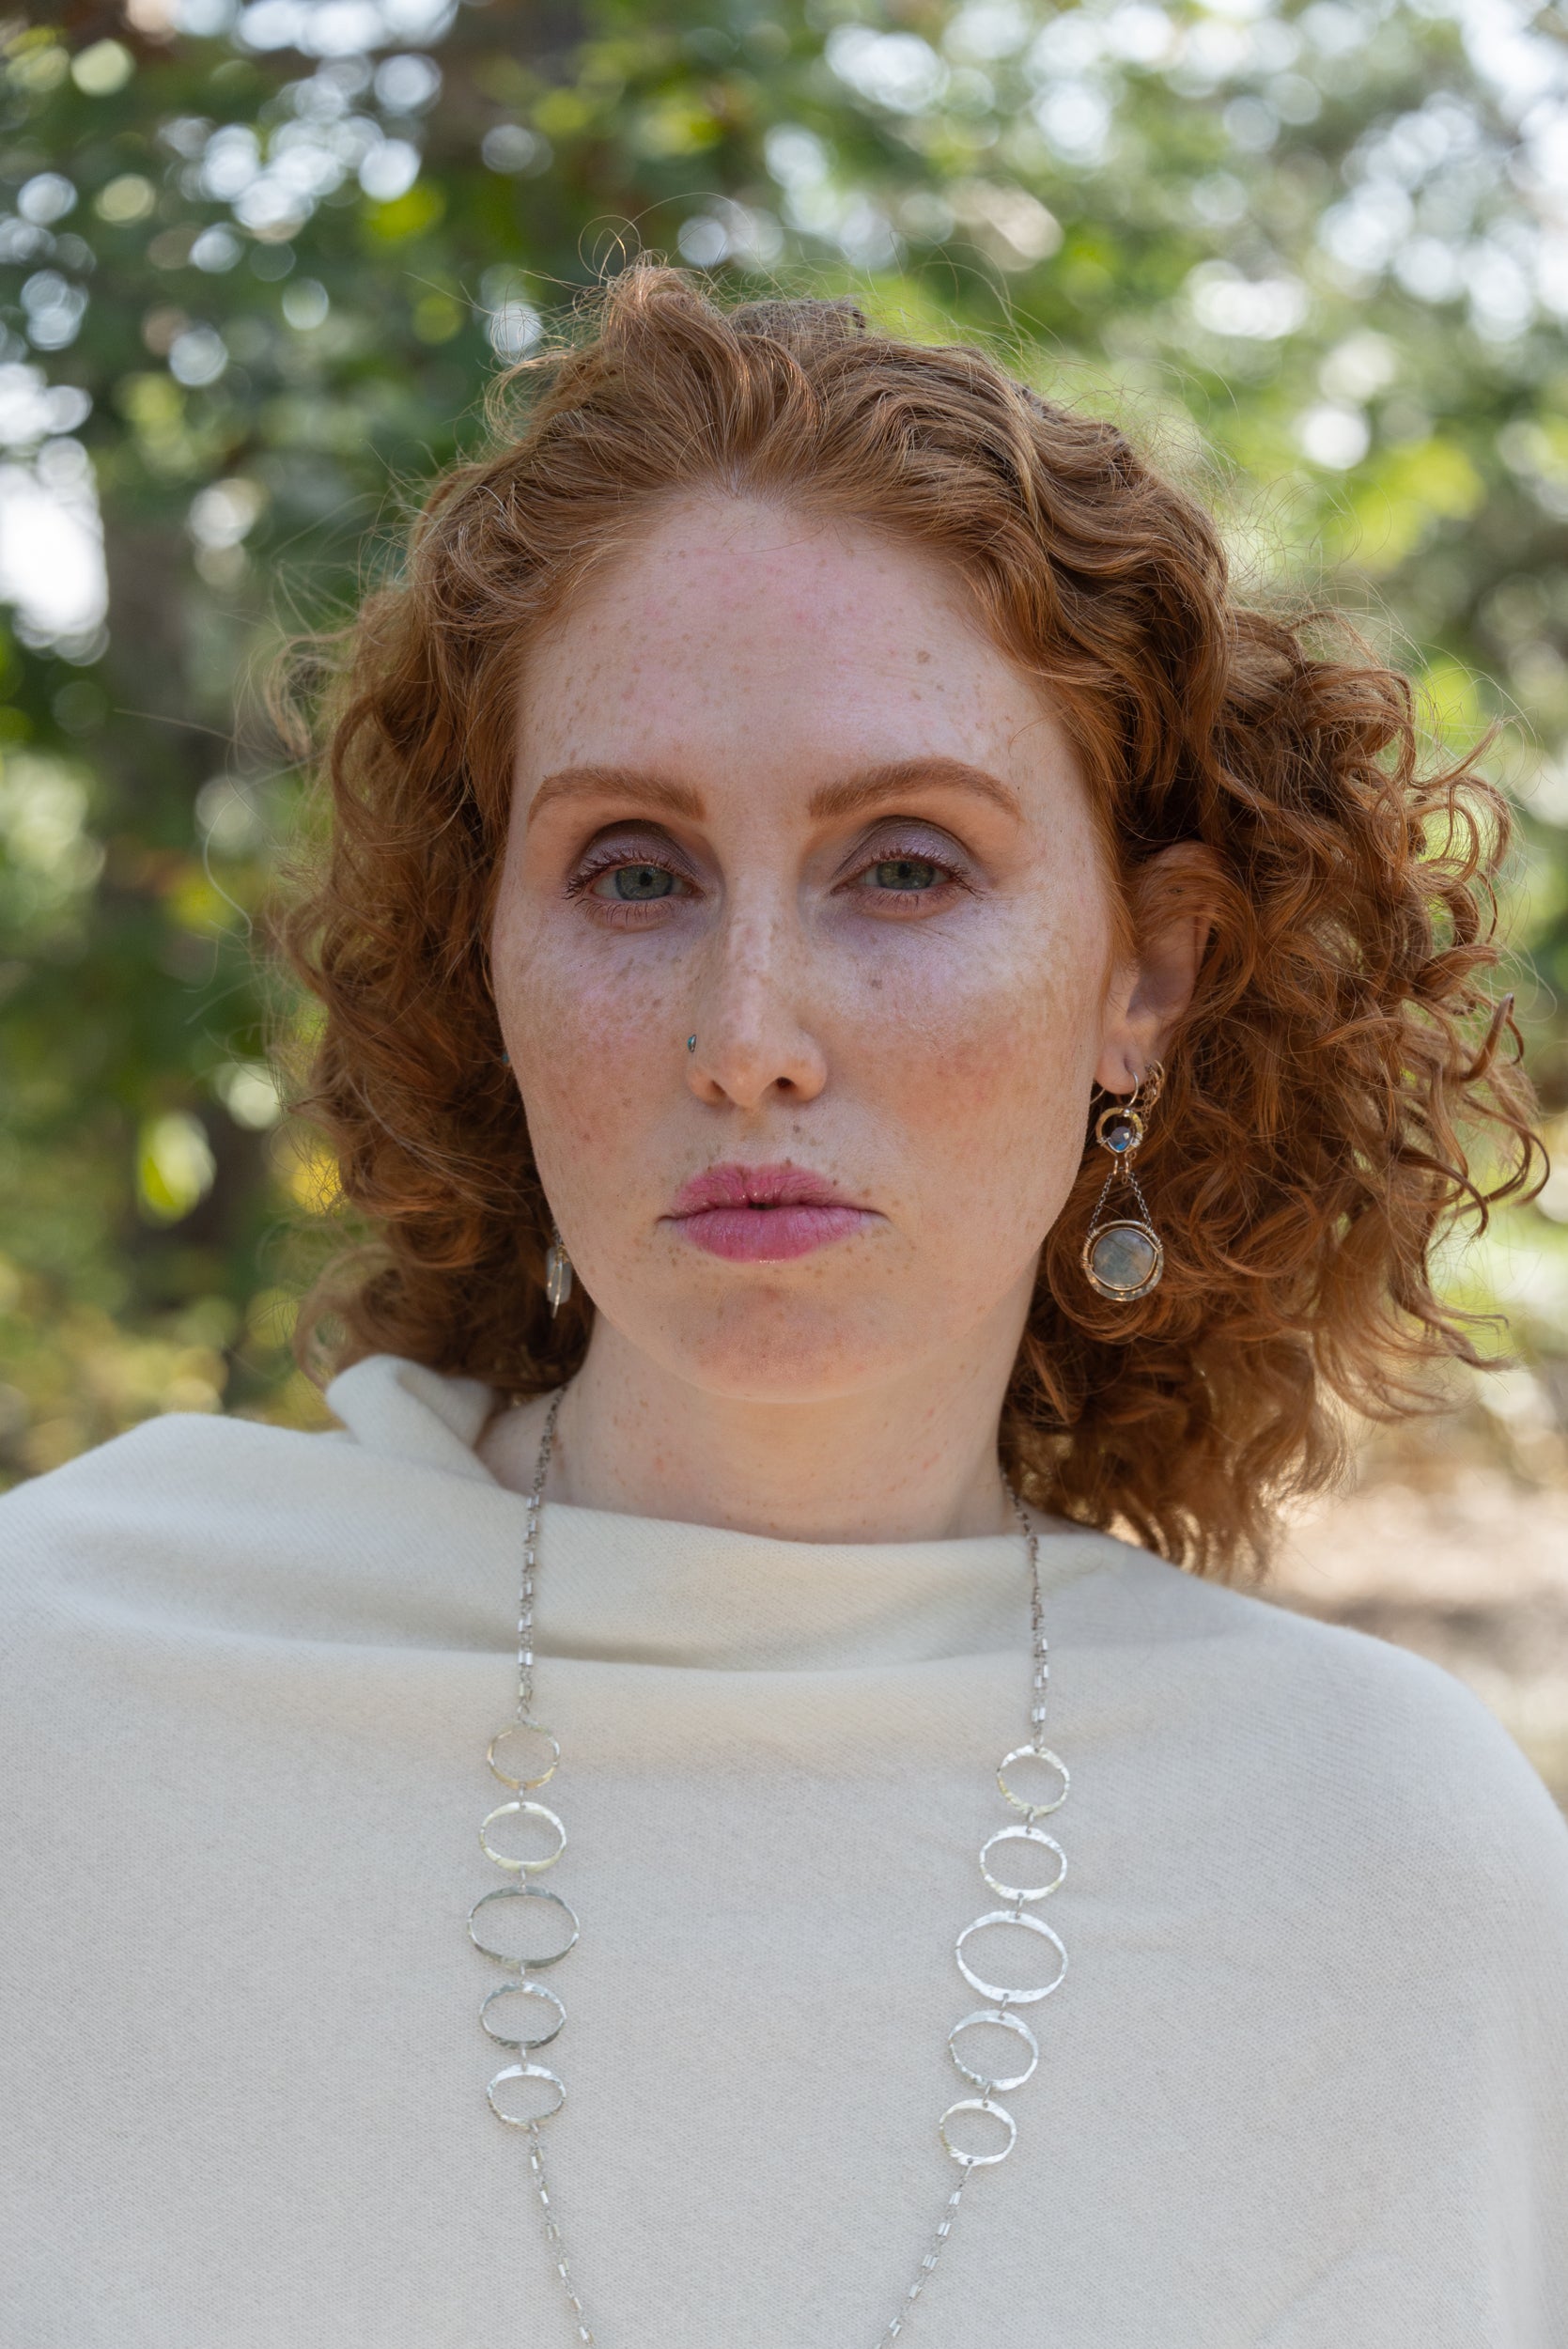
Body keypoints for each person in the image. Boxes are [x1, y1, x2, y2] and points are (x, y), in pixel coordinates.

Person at [3, 265, 1565, 2349]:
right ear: (483, 956)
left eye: (903, 865)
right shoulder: (63, 1682)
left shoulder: (1376, 1858)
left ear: (1149, 973)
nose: (747, 1036)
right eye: (633, 871)